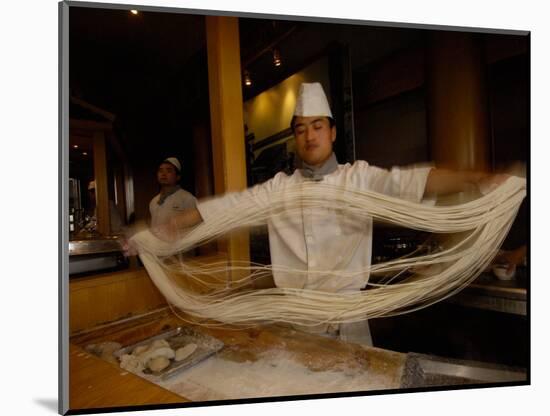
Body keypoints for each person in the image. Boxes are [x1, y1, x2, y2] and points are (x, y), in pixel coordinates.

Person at [151, 83, 508, 345]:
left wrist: (478, 177)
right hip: (295, 321)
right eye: (301, 129)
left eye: (318, 126)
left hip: (347, 320)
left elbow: (415, 181)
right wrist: (170, 227)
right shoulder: (279, 188)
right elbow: (229, 207)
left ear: (332, 132)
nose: (309, 136)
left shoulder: (359, 178)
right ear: (295, 137)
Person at [149, 157, 197, 233]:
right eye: (160, 170)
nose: (163, 174)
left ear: (178, 177)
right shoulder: (154, 201)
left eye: (169, 171)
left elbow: (196, 229)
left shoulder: (187, 198)